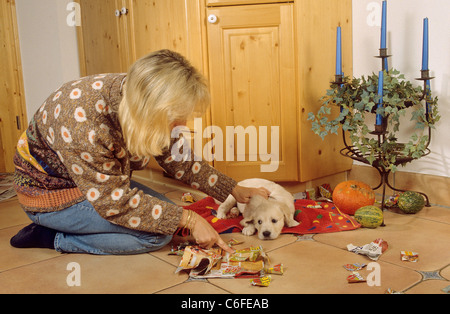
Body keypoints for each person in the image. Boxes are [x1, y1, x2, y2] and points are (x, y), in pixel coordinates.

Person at [10, 49, 269, 255]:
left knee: (166, 218)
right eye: (177, 118)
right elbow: (115, 203)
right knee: (155, 235)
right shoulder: (82, 123)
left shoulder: (142, 94)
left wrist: (233, 189)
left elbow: (181, 161)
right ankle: (54, 236)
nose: (183, 127)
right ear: (150, 110)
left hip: (97, 186)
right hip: (52, 198)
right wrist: (189, 219)